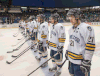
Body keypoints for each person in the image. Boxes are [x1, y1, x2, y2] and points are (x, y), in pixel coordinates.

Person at [65, 8, 95, 76]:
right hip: (71, 61)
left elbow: (90, 46)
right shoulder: (71, 29)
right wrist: (68, 51)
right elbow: (71, 42)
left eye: (71, 17)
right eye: (69, 17)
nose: (70, 19)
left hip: (80, 63)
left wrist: (87, 61)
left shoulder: (86, 28)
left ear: (77, 17)